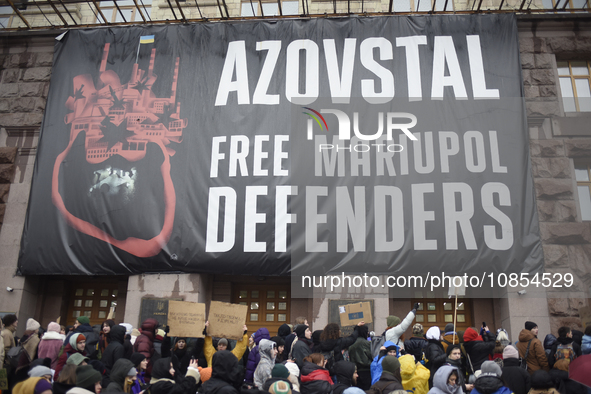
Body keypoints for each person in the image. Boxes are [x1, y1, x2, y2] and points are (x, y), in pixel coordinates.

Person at [347, 324, 372, 390]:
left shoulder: (351, 343)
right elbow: (371, 356)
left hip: (355, 371)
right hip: (367, 371)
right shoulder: (367, 343)